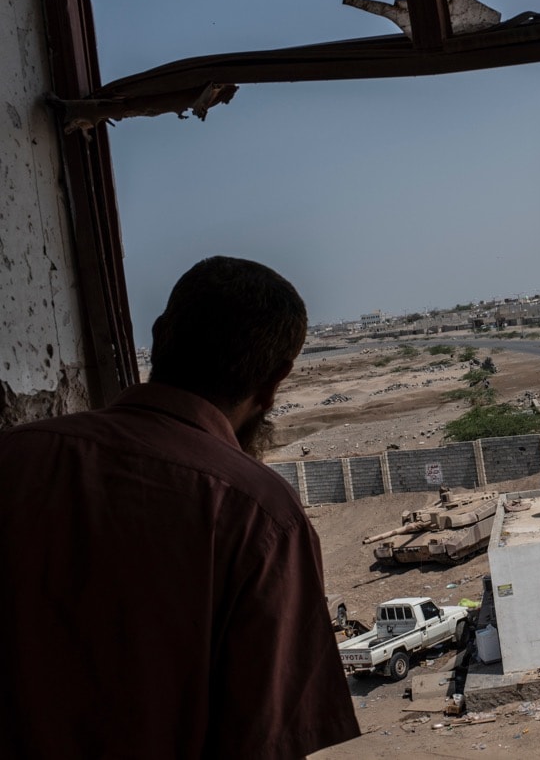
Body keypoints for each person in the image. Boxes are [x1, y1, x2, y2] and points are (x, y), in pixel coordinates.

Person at [0, 256, 359, 758]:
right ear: (277, 380)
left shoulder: (15, 454)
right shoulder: (259, 514)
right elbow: (265, 740)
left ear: (161, 334)